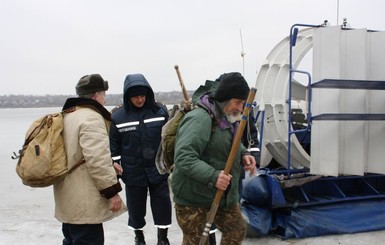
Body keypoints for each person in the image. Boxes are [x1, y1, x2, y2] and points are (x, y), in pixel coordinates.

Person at [171, 72, 257, 245]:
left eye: (243, 103)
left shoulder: (226, 117)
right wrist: (214, 176)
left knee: (236, 228)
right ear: (225, 98)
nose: (241, 108)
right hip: (193, 198)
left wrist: (244, 154)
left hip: (220, 196)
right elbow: (184, 157)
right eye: (238, 102)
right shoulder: (200, 119)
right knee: (195, 241)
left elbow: (229, 141)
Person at [53, 74, 126, 245]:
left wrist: (110, 164)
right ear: (95, 96)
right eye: (103, 95)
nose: (105, 100)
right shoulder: (92, 118)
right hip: (84, 203)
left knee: (71, 239)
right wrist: (112, 192)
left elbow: (78, 154)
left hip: (68, 198)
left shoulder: (67, 115)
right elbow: (96, 159)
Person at [109, 73, 172, 245]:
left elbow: (169, 138)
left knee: (163, 205)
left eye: (142, 95)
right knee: (136, 209)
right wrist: (115, 163)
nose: (140, 99)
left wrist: (170, 161)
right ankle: (139, 236)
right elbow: (114, 145)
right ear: (128, 96)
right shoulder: (117, 117)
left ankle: (163, 237)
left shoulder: (160, 111)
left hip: (158, 169)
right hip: (132, 171)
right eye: (136, 96)